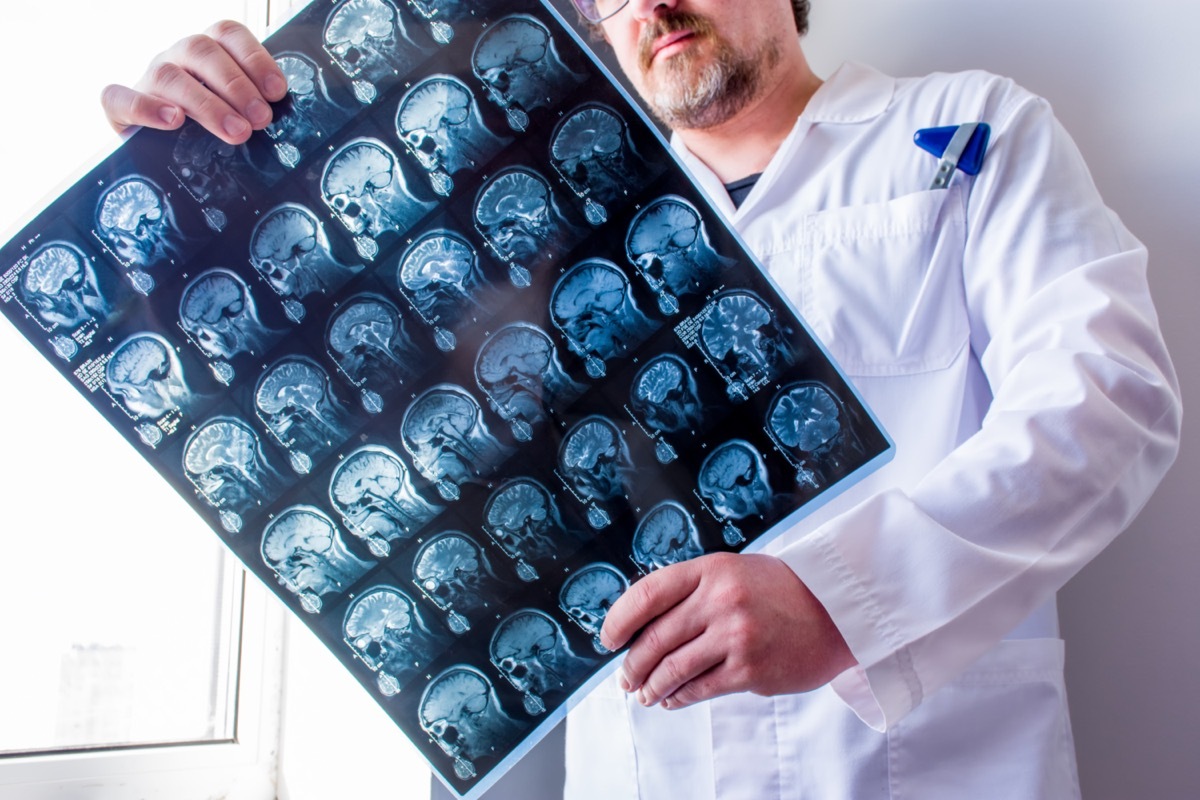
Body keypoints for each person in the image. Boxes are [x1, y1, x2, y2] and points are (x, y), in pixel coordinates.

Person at [101, 1, 1182, 798]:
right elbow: (317, 355)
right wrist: (207, 157)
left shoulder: (971, 133)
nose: (650, 5)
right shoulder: (534, 239)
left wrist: (845, 596)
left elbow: (1109, 400)